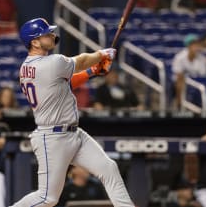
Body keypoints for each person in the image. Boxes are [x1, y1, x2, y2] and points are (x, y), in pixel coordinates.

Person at [11, 18, 135, 207]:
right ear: (34, 42)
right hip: (52, 138)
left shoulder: (30, 66)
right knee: (47, 198)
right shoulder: (52, 62)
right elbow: (82, 60)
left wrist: (93, 71)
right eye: (46, 33)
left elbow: (65, 84)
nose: (52, 35)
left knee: (108, 168)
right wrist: (102, 54)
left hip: (74, 134)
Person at [172, 34, 206, 108]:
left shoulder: (202, 59)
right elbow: (178, 74)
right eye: (193, 44)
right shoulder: (179, 57)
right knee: (180, 81)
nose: (196, 47)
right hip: (181, 83)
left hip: (196, 84)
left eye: (197, 44)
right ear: (188, 46)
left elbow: (203, 76)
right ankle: (179, 104)